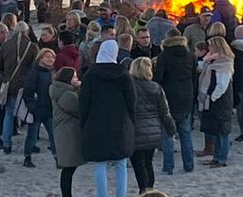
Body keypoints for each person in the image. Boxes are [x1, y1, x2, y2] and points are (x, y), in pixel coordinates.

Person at [79, 39, 136, 197]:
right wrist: (131, 122)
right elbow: (131, 101)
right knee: (121, 163)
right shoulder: (124, 74)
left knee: (100, 163)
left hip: (96, 122)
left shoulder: (90, 74)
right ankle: (121, 195)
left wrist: (83, 123)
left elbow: (84, 102)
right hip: (121, 122)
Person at [129, 57, 175, 194]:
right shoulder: (156, 87)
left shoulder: (130, 88)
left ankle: (144, 191)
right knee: (148, 163)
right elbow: (165, 112)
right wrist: (171, 129)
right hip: (153, 130)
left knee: (139, 165)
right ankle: (150, 189)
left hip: (135, 131)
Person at [154, 29, 195, 173]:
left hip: (169, 96)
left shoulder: (164, 56)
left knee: (167, 134)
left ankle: (168, 166)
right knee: (186, 133)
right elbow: (194, 76)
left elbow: (158, 77)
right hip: (187, 95)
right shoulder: (190, 55)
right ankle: (189, 165)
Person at [0, 21, 38, 154]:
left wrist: (6, 78)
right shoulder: (32, 47)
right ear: (27, 32)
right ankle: (30, 144)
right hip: (26, 86)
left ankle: (6, 144)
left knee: (9, 114)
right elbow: (35, 68)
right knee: (29, 115)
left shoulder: (5, 46)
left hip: (10, 84)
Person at [197, 36, 234, 168]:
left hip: (220, 101)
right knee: (217, 129)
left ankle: (221, 158)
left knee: (222, 131)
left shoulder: (224, 63)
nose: (209, 49)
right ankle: (216, 156)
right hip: (214, 99)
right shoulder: (213, 61)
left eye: (211, 46)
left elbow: (222, 85)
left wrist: (212, 97)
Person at [50, 66, 83, 197]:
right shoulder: (67, 95)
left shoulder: (59, 91)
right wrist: (80, 89)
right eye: (74, 77)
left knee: (68, 168)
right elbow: (79, 109)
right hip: (68, 133)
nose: (77, 79)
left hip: (64, 132)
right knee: (68, 169)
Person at [21, 47, 56, 169]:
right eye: (47, 57)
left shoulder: (52, 72)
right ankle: (27, 157)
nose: (50, 59)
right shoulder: (34, 72)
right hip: (37, 109)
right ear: (40, 58)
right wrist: (33, 109)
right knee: (32, 134)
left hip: (49, 108)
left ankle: (57, 158)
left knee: (53, 135)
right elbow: (28, 92)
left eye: (52, 57)